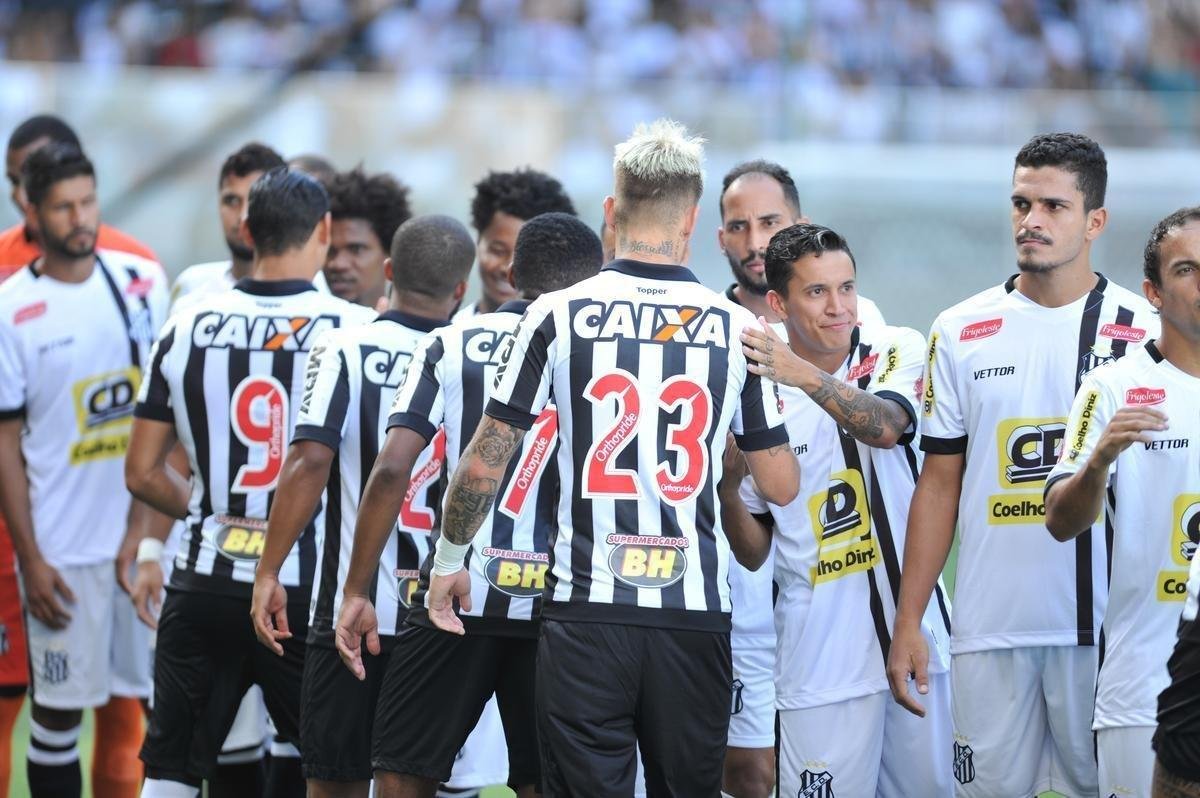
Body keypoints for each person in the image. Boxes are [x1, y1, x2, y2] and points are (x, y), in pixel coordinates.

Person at [416, 119, 799, 796]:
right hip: (694, 617)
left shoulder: (554, 314)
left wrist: (449, 561)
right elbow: (781, 484)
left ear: (611, 214)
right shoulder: (737, 327)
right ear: (692, 218)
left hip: (585, 616)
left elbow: (484, 462)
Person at [886, 132, 1159, 797]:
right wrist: (908, 622)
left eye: (1053, 207)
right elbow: (938, 485)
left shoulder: (1146, 331)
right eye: (1020, 203)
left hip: (1108, 636)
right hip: (990, 629)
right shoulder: (959, 328)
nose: (1030, 221)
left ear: (1095, 221)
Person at [125, 168, 374, 797]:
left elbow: (142, 472)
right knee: (335, 773)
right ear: (323, 231)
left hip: (204, 579)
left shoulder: (184, 326)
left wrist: (216, 518)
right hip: (306, 591)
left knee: (171, 773)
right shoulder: (356, 329)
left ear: (247, 229)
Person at [335, 212, 603, 798]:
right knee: (547, 781)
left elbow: (391, 470)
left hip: (458, 592)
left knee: (403, 773)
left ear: (509, 273)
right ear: (597, 278)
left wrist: (357, 591)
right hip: (565, 602)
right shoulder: (610, 353)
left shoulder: (450, 342)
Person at [248, 214, 477, 797]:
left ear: (390, 271)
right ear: (461, 289)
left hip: (352, 609)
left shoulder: (346, 345)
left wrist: (269, 569)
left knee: (336, 783)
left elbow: (308, 460)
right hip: (443, 611)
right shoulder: (472, 359)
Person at [725, 222, 953, 796]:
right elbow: (754, 551)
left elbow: (886, 426)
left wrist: (801, 373)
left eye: (847, 288)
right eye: (817, 292)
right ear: (777, 303)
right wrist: (726, 489)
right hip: (819, 660)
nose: (839, 307)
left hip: (921, 638)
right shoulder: (753, 391)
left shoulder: (896, 346)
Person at [0, 144, 168, 797]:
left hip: (144, 547)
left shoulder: (141, 284)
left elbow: (169, 417)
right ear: (34, 214)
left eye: (88, 201)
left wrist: (147, 530)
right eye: (64, 207)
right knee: (58, 716)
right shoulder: (12, 307)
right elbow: (6, 444)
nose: (81, 218)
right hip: (62, 553)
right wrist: (32, 559)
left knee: (162, 713)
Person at [714, 158, 885, 798]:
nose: (756, 241)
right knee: (752, 775)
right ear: (720, 238)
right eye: (740, 226)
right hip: (750, 606)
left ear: (799, 226)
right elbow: (747, 518)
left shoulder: (868, 325)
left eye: (770, 222)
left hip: (854, 606)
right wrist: (729, 484)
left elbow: (888, 428)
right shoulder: (709, 332)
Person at [1045, 207, 1200, 797]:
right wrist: (1100, 460)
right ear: (1153, 293)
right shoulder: (1111, 387)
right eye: (1187, 270)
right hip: (1145, 689)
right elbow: (1060, 519)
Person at [170, 143, 287, 307]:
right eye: (231, 201)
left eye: (256, 200)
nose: (243, 215)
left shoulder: (314, 294)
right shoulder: (192, 288)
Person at [452, 169, 576, 322]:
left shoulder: (562, 341)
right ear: (478, 242)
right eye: (498, 251)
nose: (508, 267)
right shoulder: (447, 334)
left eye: (527, 255)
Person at [322, 168, 411, 308]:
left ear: (390, 253)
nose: (338, 264)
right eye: (329, 251)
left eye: (355, 249)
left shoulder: (433, 330)